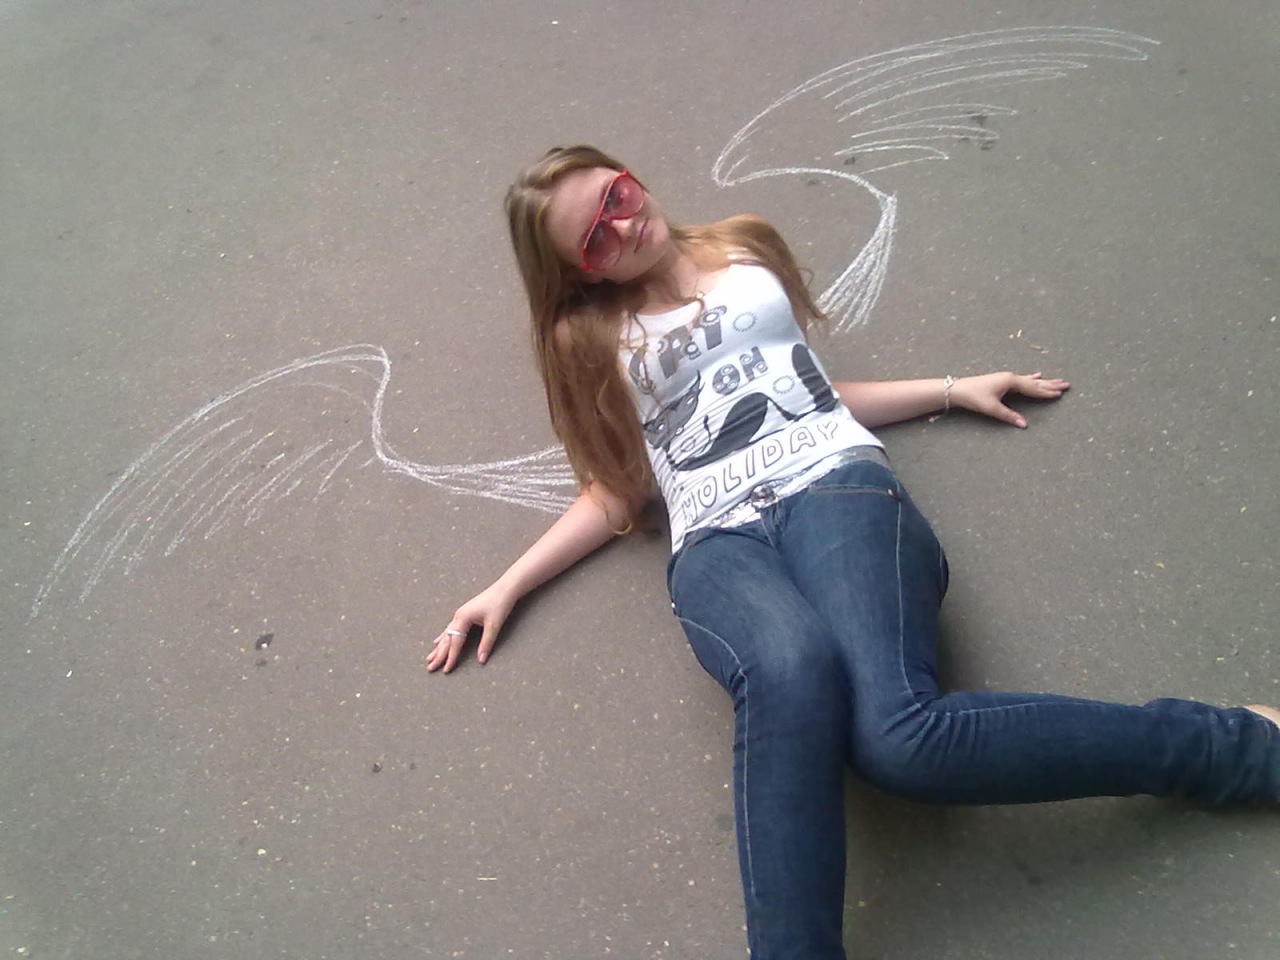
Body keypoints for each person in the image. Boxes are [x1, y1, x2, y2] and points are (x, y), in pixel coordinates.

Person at [427, 145, 1279, 960]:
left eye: (617, 195)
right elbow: (618, 487)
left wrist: (952, 388)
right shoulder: (590, 340)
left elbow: (812, 391)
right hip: (716, 542)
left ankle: (1234, 746)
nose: (623, 224)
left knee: (899, 741)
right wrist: (507, 585)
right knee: (789, 666)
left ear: (629, 177)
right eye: (594, 238)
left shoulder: (743, 248)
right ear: (577, 271)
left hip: (832, 484)